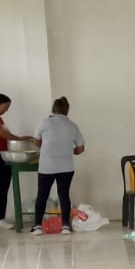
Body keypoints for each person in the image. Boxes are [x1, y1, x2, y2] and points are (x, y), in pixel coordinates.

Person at [0, 92, 34, 228]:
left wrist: (19, 140)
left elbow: (5, 135)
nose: (7, 110)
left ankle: (1, 218)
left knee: (3, 188)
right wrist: (18, 139)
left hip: (2, 156)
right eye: (5, 107)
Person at [32, 96, 84, 235]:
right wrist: (68, 151)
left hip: (46, 166)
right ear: (67, 110)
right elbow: (80, 149)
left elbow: (36, 141)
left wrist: (47, 147)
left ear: (53, 109)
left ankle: (37, 226)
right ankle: (65, 226)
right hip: (66, 167)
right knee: (64, 195)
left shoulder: (44, 123)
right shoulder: (72, 126)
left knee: (42, 195)